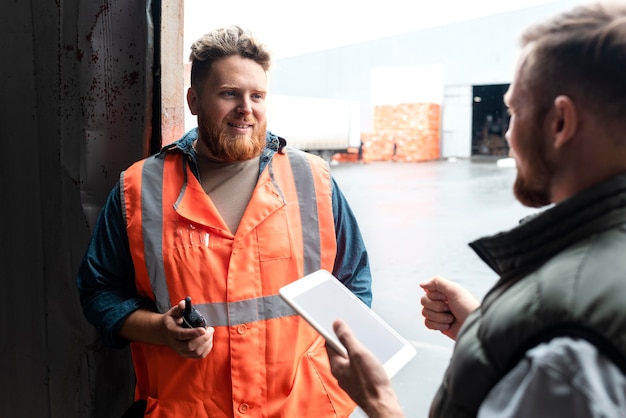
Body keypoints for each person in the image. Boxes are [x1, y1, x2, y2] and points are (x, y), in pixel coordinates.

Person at [326, 2, 626, 417]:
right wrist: (485, 328)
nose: (506, 133)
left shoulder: (569, 347)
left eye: (513, 111)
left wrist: (379, 402)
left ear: (560, 122)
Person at [76, 26, 372, 417]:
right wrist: (159, 329)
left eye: (257, 96)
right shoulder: (140, 188)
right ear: (194, 100)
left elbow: (354, 287)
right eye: (230, 93)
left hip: (302, 408)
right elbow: (99, 291)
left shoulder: (313, 179)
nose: (246, 108)